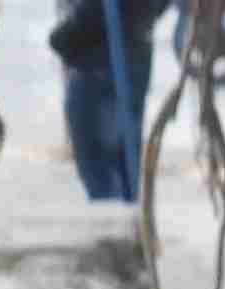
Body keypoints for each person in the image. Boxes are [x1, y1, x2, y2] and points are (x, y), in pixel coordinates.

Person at [50, 0, 165, 203]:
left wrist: (62, 38)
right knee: (120, 166)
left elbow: (91, 16)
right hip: (130, 60)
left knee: (103, 169)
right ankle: (121, 211)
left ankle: (114, 214)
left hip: (101, 68)